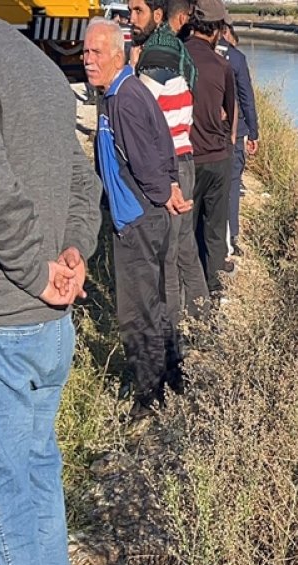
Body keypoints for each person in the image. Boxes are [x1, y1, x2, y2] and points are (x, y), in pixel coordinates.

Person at [0, 0, 101, 565]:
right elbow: (82, 179)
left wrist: (38, 270)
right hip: (46, 327)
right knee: (36, 479)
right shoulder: (36, 63)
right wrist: (74, 251)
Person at [84, 18, 190, 419]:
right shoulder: (121, 92)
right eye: (85, 51)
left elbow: (148, 159)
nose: (86, 59)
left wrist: (164, 193)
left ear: (117, 55)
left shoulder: (125, 99)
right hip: (144, 215)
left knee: (135, 310)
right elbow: (161, 146)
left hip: (138, 220)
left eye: (95, 53)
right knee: (154, 301)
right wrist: (169, 189)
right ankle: (172, 373)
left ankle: (150, 394)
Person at [130, 0, 209, 388]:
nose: (131, 19)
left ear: (159, 15)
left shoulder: (151, 67)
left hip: (169, 166)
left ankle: (174, 352)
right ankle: (204, 328)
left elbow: (146, 130)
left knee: (165, 261)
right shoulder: (180, 57)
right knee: (184, 251)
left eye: (137, 11)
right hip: (186, 159)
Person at [181, 0, 236, 297]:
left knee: (186, 232)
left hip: (186, 160)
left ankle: (189, 299)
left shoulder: (177, 59)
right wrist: (227, 144)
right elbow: (231, 112)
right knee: (214, 232)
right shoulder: (222, 65)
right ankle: (215, 295)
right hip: (217, 159)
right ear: (216, 30)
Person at [221, 23, 259, 257]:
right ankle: (232, 236)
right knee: (233, 183)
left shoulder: (193, 53)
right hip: (237, 130)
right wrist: (253, 132)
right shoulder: (236, 59)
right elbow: (247, 97)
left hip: (205, 131)